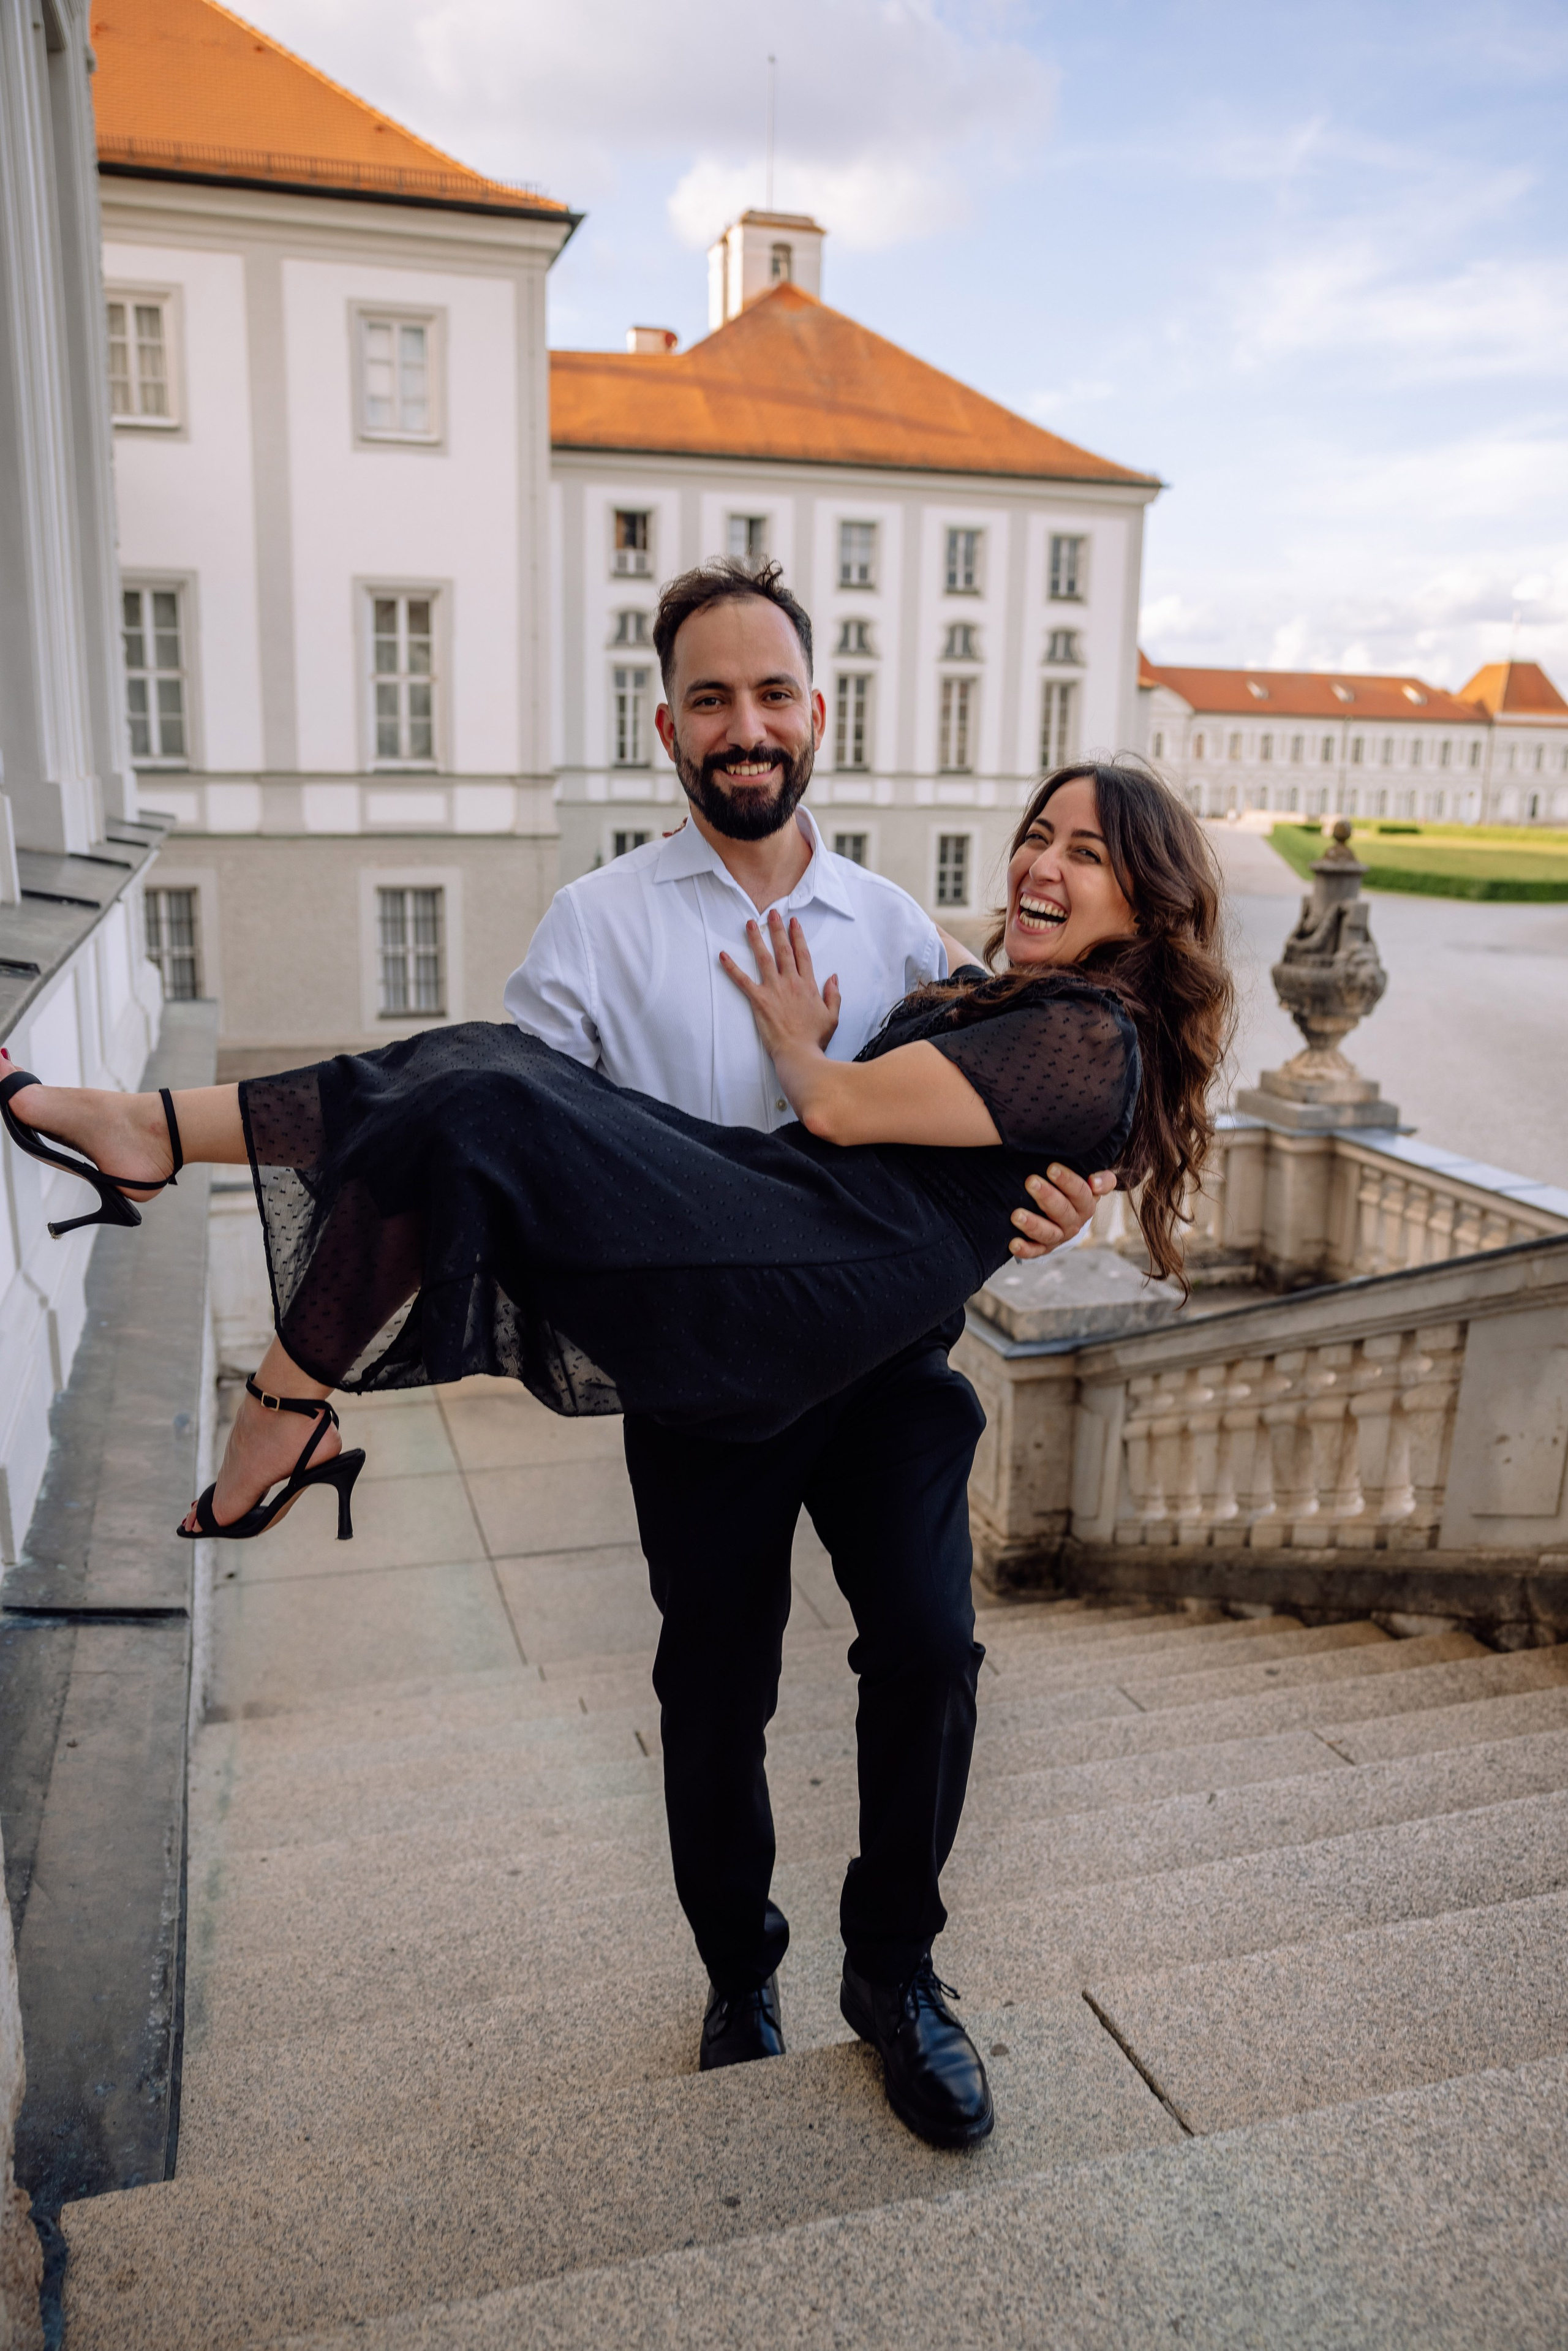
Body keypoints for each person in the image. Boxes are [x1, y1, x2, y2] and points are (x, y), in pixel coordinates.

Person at [0, 610, 1232, 2155]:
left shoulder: (904, 930)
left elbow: (1006, 1121)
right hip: (714, 1330)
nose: (746, 723)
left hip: (873, 1356)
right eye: (711, 698)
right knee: (705, 1675)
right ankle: (740, 1974)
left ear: (815, 713)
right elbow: (533, 1168)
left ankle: (896, 1971)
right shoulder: (600, 919)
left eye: (772, 693)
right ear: (670, 728)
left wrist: (1058, 1197)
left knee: (926, 1646)